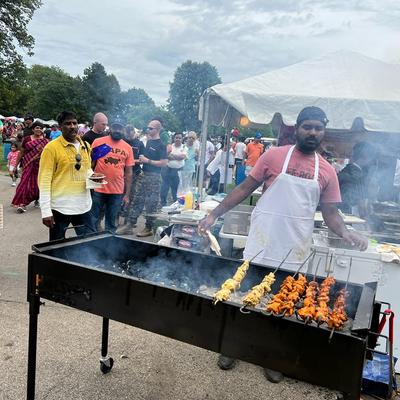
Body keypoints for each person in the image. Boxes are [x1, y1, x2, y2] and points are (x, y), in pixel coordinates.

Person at [199, 106, 368, 381]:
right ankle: (233, 346)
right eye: (307, 127)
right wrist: (214, 213)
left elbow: (331, 214)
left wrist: (348, 234)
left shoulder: (326, 171)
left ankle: (273, 355)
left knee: (282, 301)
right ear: (297, 128)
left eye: (318, 128)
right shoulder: (274, 156)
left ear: (323, 132)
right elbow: (244, 189)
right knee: (244, 294)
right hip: (263, 239)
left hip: (294, 246)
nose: (313, 132)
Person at [38, 111, 93, 241]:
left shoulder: (86, 146)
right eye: (67, 124)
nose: (72, 126)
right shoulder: (51, 148)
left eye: (74, 123)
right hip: (60, 208)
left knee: (91, 244)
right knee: (56, 248)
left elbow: (87, 169)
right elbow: (44, 181)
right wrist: (46, 211)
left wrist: (93, 176)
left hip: (83, 206)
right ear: (60, 126)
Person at [125, 118, 168, 237]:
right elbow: (145, 160)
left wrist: (147, 160)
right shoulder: (148, 141)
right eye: (147, 127)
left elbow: (164, 163)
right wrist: (138, 160)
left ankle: (148, 227)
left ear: (157, 129)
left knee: (151, 203)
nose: (148, 129)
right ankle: (129, 225)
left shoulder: (161, 144)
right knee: (137, 200)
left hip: (154, 177)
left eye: (150, 128)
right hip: (144, 174)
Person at [90, 121, 134, 233]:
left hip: (117, 190)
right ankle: (91, 243)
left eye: (120, 128)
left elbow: (129, 172)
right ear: (110, 129)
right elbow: (91, 164)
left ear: (123, 130)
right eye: (115, 128)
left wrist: (127, 195)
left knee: (112, 221)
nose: (117, 131)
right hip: (98, 187)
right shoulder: (99, 142)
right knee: (93, 218)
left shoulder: (127, 147)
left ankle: (109, 243)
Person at [11, 121, 49, 213]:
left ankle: (37, 199)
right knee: (24, 183)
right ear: (33, 129)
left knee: (38, 184)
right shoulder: (27, 139)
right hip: (28, 164)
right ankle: (22, 204)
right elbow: (21, 152)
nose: (38, 129)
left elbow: (49, 155)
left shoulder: (46, 141)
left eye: (40, 128)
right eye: (36, 128)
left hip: (41, 166)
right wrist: (16, 165)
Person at [338, 142, 376, 218]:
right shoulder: (358, 176)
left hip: (341, 213)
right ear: (365, 157)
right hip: (351, 216)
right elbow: (361, 203)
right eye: (372, 157)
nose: (372, 161)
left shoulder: (346, 171)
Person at [160, 132, 187, 207]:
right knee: (165, 186)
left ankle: (176, 204)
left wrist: (172, 156)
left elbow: (182, 157)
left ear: (182, 139)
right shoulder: (170, 146)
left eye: (179, 138)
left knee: (176, 188)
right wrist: (177, 157)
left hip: (178, 170)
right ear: (174, 138)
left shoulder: (184, 147)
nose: (178, 139)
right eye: (176, 138)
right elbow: (166, 155)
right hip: (168, 169)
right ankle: (163, 204)